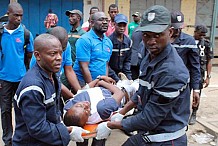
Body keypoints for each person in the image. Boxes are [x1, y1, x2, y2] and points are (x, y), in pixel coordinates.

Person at [95, 5, 191, 146]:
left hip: (166, 139)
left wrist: (111, 125)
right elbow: (142, 91)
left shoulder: (171, 72)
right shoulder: (150, 56)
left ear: (170, 33)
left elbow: (149, 119)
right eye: (146, 35)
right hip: (149, 133)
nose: (151, 41)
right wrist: (122, 112)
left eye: (157, 35)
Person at [13, 33, 89, 146]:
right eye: (53, 54)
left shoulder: (52, 76)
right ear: (37, 56)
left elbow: (53, 112)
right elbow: (37, 128)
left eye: (60, 53)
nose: (59, 58)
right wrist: (67, 131)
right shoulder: (33, 88)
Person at [63, 76, 136, 146]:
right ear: (89, 116)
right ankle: (127, 82)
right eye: (87, 111)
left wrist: (99, 79)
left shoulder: (69, 105)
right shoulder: (102, 108)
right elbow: (120, 92)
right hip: (119, 90)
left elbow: (84, 89)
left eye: (79, 105)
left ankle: (125, 81)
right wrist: (102, 83)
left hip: (105, 87)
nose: (86, 104)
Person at [0, 2, 34, 146]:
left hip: (21, 79)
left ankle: (21, 139)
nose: (19, 18)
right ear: (8, 14)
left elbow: (30, 55)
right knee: (5, 111)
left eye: (21, 15)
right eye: (16, 15)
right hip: (4, 79)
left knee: (22, 110)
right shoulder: (0, 33)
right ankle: (7, 140)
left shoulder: (26, 34)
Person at [170, 10, 201, 125]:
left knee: (180, 114)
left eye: (180, 28)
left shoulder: (189, 41)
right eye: (175, 28)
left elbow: (195, 67)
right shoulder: (164, 41)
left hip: (182, 85)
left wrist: (196, 89)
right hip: (165, 83)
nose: (177, 31)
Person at [30, 26, 81, 95]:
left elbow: (69, 70)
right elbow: (50, 80)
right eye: (54, 53)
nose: (60, 57)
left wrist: (80, 93)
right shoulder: (40, 56)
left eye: (62, 50)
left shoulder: (66, 45)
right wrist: (73, 97)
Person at [73, 12, 113, 87]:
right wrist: (92, 87)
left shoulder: (108, 42)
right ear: (92, 23)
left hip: (100, 83)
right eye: (101, 20)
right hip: (84, 83)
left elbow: (106, 64)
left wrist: (105, 81)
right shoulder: (85, 40)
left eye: (106, 20)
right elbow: (83, 67)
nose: (105, 22)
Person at [189, 24, 214, 124]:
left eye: (203, 35)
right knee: (184, 94)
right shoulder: (188, 42)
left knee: (197, 94)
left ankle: (194, 113)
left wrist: (208, 76)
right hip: (187, 71)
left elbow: (209, 60)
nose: (202, 37)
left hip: (199, 73)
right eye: (200, 34)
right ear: (195, 32)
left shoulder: (206, 44)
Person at [61, 9, 86, 90]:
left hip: (77, 68)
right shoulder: (67, 34)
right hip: (67, 67)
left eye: (72, 16)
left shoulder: (83, 34)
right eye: (69, 16)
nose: (69, 18)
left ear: (78, 18)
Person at [108, 14, 132, 82]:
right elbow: (106, 64)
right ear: (114, 24)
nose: (122, 28)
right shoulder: (108, 41)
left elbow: (127, 61)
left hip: (123, 75)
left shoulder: (128, 41)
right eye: (119, 25)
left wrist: (129, 78)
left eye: (124, 25)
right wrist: (117, 79)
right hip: (110, 76)